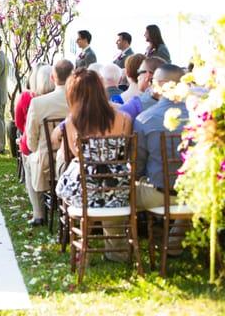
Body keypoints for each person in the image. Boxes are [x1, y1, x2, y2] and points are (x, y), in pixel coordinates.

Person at [55, 68, 133, 260]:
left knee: (71, 174)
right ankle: (116, 249)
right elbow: (125, 153)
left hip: (84, 193)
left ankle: (82, 242)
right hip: (117, 191)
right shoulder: (124, 119)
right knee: (111, 182)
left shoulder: (71, 122)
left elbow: (76, 156)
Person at [134, 64, 188, 253]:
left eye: (152, 81)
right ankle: (176, 238)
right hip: (195, 195)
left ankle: (122, 246)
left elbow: (138, 165)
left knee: (125, 190)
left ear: (161, 85)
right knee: (185, 189)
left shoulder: (144, 119)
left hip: (157, 196)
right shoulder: (201, 118)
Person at [22, 60, 73, 226]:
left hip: (46, 163)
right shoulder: (78, 101)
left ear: (53, 77)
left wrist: (36, 150)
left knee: (27, 157)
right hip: (73, 159)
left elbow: (31, 142)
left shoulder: (38, 103)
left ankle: (38, 213)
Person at [15, 63, 53, 156]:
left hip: (33, 146)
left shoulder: (27, 97)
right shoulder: (58, 99)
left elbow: (18, 123)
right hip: (55, 145)